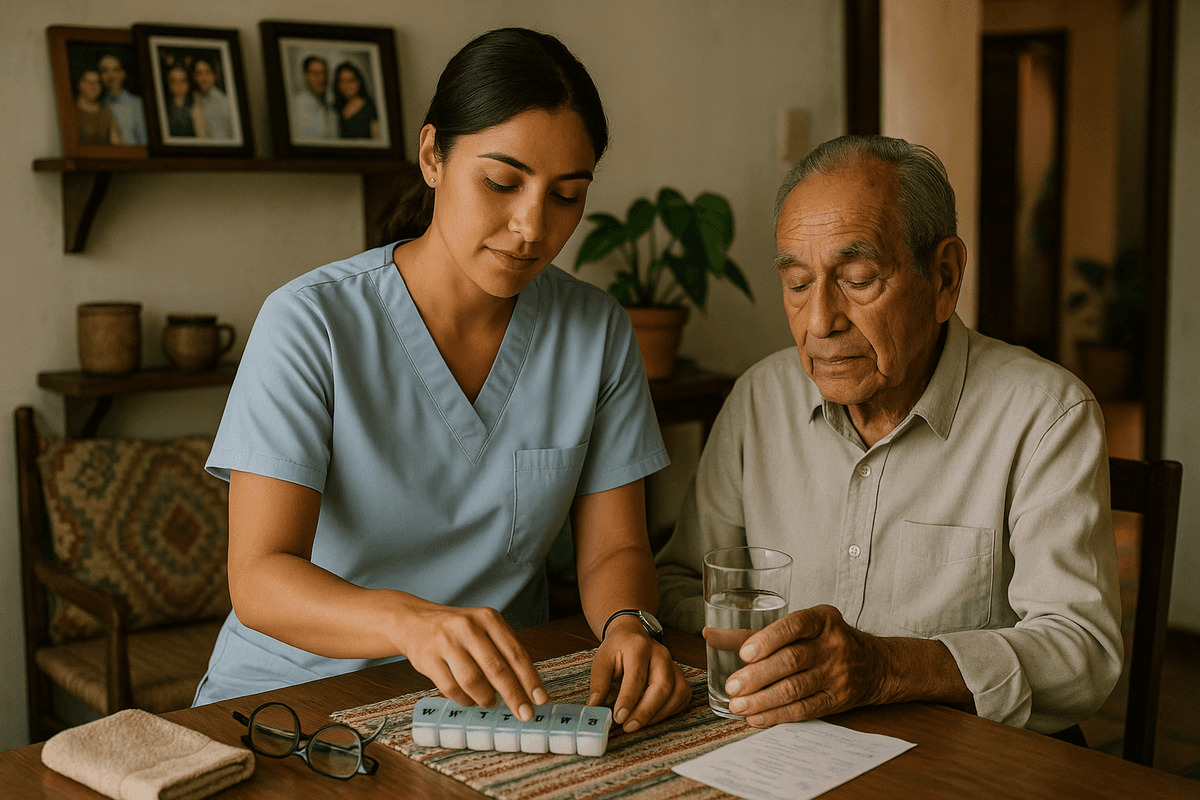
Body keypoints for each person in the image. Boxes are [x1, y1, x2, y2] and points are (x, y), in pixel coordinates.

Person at [193, 27, 691, 735]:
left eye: (566, 196)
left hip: (492, 711)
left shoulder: (596, 331)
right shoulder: (310, 323)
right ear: (433, 156)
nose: (531, 227)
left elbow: (616, 548)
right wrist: (410, 623)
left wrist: (628, 626)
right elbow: (261, 579)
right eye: (502, 182)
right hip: (292, 704)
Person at [655, 134, 1122, 739]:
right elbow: (679, 583)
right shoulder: (759, 400)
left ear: (945, 278)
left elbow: (1082, 652)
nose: (821, 321)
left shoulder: (1046, 414)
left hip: (968, 760)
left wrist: (885, 668)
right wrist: (790, 657)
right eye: (798, 284)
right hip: (791, 747)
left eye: (858, 277)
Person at [98, 52, 146, 146]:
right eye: (105, 70)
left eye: (115, 70)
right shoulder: (100, 107)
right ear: (100, 76)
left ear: (123, 74)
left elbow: (144, 143)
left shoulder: (137, 104)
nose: (111, 75)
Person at [290, 55, 337, 141]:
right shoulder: (299, 103)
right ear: (306, 75)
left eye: (324, 73)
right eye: (315, 74)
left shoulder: (328, 103)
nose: (322, 78)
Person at [333, 60, 379, 139]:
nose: (346, 85)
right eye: (342, 81)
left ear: (359, 82)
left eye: (351, 80)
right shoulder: (335, 108)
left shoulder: (370, 109)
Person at [74, 68, 121, 145]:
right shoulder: (71, 111)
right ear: (80, 84)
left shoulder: (106, 113)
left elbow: (117, 145)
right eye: (89, 82)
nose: (93, 86)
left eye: (97, 83)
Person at [191, 57, 233, 139]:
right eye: (199, 73)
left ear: (214, 75)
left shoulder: (226, 102)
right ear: (194, 77)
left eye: (207, 72)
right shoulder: (192, 99)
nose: (204, 78)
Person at [163, 63, 205, 138]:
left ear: (188, 83)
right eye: (174, 81)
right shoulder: (163, 107)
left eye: (182, 80)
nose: (178, 85)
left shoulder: (197, 105)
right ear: (168, 84)